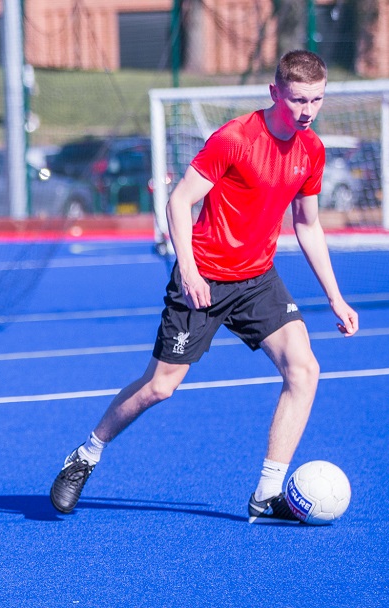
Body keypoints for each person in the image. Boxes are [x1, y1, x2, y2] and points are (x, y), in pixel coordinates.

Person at [49, 50, 358, 523]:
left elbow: (309, 225)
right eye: (298, 99)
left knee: (305, 370)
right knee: (160, 387)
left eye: (316, 99)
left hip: (257, 279)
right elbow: (179, 201)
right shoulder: (235, 138)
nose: (307, 111)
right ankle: (86, 454)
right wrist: (189, 270)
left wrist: (335, 297)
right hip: (205, 278)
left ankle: (267, 494)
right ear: (276, 92)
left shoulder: (311, 149)